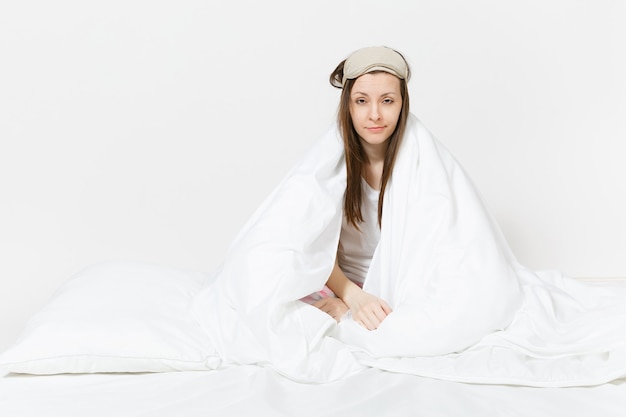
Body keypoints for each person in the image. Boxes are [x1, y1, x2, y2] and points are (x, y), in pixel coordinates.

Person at [303, 46, 410, 330]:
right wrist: (350, 297)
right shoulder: (330, 164)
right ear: (348, 106)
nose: (374, 114)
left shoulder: (419, 164)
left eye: (387, 100)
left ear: (402, 104)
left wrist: (366, 301)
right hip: (341, 283)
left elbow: (433, 258)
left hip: (401, 288)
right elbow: (310, 245)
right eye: (362, 101)